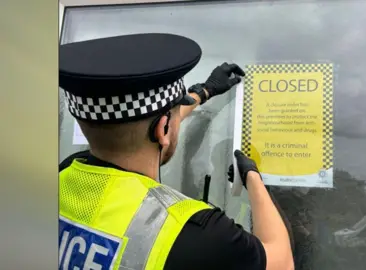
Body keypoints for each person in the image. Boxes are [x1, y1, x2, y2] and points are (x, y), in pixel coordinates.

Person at [59, 33, 294, 270]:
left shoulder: (64, 173)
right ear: (163, 129)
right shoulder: (195, 231)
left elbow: (143, 125)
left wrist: (203, 92)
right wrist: (253, 177)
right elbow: (282, 262)